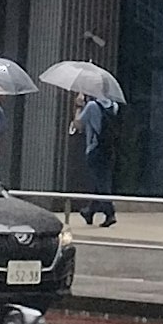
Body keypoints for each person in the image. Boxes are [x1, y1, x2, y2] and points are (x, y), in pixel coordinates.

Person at [72, 89, 118, 226]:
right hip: (109, 149)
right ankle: (90, 211)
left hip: (95, 149)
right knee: (101, 180)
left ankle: (110, 213)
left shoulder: (92, 106)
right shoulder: (114, 106)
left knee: (101, 183)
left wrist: (79, 107)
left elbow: (78, 124)